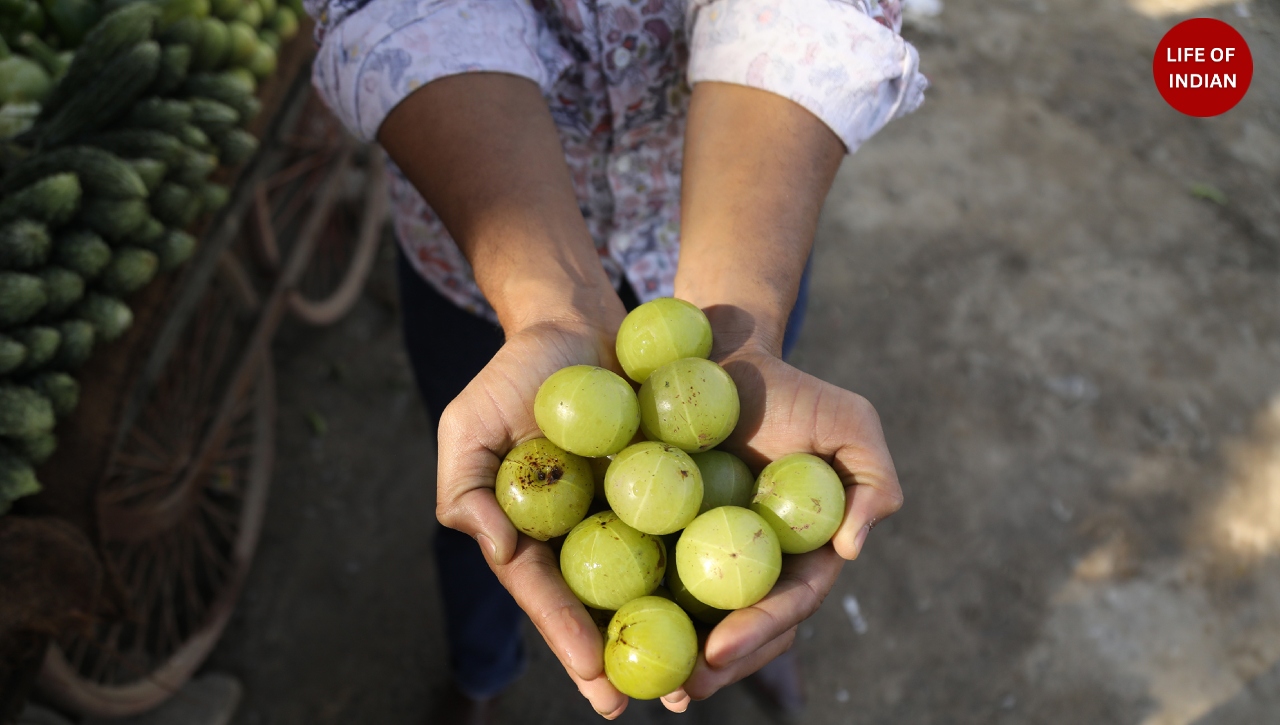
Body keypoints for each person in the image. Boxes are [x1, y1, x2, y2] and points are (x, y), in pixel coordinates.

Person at [304, 0, 924, 720]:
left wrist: (740, 323)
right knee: (487, 520)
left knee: (748, 464)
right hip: (480, 266)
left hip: (738, 246)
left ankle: (723, 653)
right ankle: (480, 667)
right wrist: (546, 310)